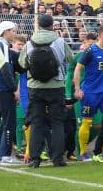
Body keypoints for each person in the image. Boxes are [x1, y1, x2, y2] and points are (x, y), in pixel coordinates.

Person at [19, 14, 74, 168]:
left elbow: (22, 63)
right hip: (56, 86)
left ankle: (35, 159)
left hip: (35, 87)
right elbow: (70, 59)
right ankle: (57, 158)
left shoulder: (29, 43)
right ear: (52, 25)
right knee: (57, 123)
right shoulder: (60, 41)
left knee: (37, 123)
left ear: (39, 25)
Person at [74, 25, 103, 161]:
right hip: (90, 92)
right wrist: (77, 89)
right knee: (87, 122)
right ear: (102, 35)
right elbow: (78, 69)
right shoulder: (90, 50)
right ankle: (83, 152)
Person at [0, 20, 20, 166]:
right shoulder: (2, 45)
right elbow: (6, 69)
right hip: (4, 88)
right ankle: (5, 156)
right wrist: (14, 88)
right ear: (6, 31)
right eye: (13, 31)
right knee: (9, 123)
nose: (15, 34)